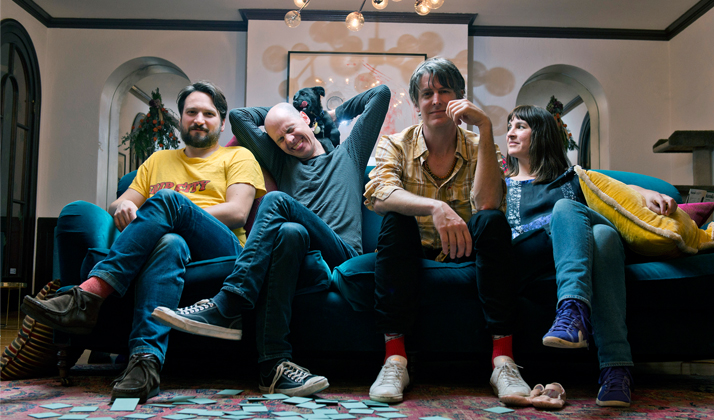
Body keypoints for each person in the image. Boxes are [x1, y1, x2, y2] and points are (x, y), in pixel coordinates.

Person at [21, 81, 266, 403]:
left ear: (222, 123)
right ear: (181, 118)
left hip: (220, 251)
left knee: (168, 201)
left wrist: (176, 211)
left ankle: (89, 295)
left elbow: (237, 212)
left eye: (208, 114)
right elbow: (120, 204)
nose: (199, 119)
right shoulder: (158, 160)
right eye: (191, 112)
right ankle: (145, 364)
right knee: (170, 242)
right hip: (163, 248)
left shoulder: (238, 156)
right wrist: (123, 206)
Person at [152, 84, 391, 397]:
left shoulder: (351, 153)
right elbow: (239, 118)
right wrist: (281, 118)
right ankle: (273, 367)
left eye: (291, 129)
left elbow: (381, 94)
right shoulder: (283, 162)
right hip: (302, 258)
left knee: (276, 200)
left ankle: (228, 303)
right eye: (280, 139)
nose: (289, 140)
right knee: (290, 232)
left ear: (306, 120)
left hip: (340, 255)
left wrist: (326, 113)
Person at [362, 57, 529, 404]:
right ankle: (395, 360)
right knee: (394, 219)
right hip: (413, 250)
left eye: (445, 91)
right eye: (427, 94)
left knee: (491, 221)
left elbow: (488, 203)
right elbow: (378, 194)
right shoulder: (395, 143)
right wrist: (435, 207)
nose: (436, 100)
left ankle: (503, 362)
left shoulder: (480, 145)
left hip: (467, 248)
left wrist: (485, 128)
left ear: (460, 98)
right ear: (416, 104)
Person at [504, 104, 677, 407]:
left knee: (602, 233)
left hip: (581, 253)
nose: (510, 133)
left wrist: (648, 194)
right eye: (509, 126)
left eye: (520, 126)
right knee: (583, 221)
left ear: (541, 133)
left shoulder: (573, 177)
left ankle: (600, 352)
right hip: (531, 254)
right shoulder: (502, 184)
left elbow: (616, 190)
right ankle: (612, 362)